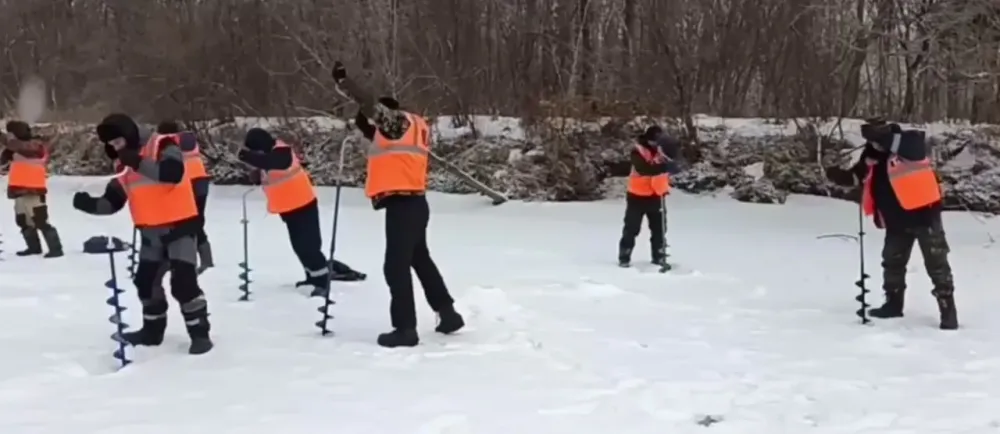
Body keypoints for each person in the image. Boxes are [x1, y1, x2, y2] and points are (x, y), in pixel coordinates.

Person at [332, 60, 464, 348]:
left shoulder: (396, 122)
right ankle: (448, 313)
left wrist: (345, 84)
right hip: (415, 203)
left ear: (385, 113)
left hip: (403, 206)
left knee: (395, 267)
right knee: (420, 260)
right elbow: (368, 128)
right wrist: (362, 120)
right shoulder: (410, 127)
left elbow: (368, 106)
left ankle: (405, 329)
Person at [73, 113, 214, 354]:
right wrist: (89, 205)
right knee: (145, 283)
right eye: (111, 146)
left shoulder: (163, 145)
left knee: (183, 284)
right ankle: (152, 331)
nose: (115, 149)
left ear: (128, 135)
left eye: (117, 142)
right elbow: (113, 201)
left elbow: (173, 173)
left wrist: (137, 161)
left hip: (180, 229)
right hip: (151, 235)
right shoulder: (124, 167)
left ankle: (200, 334)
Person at [824, 119, 957, 330]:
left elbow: (909, 148)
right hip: (896, 219)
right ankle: (893, 305)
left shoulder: (909, 143)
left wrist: (880, 136)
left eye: (875, 136)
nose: (874, 144)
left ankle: (948, 311)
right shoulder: (872, 155)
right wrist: (835, 174)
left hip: (925, 216)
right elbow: (856, 178)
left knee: (937, 265)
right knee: (892, 263)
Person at [237, 128, 332, 297]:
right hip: (289, 209)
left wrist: (246, 156)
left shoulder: (281, 152)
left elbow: (273, 162)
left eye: (255, 149)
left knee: (309, 246)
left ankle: (322, 282)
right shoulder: (268, 156)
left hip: (304, 204)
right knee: (299, 247)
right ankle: (311, 277)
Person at [155, 121, 214, 274]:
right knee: (197, 220)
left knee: (182, 221)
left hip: (185, 184)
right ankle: (206, 258)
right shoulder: (188, 139)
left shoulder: (166, 143)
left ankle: (183, 258)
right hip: (201, 181)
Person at [618, 126, 679, 268]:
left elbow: (675, 159)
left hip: (656, 195)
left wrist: (673, 162)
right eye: (654, 141)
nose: (656, 144)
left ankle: (659, 257)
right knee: (632, 228)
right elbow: (643, 169)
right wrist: (664, 168)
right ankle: (624, 257)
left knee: (660, 229)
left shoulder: (662, 149)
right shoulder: (638, 151)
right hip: (637, 196)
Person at [1, 121, 63, 257]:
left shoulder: (35, 146)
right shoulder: (14, 149)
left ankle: (56, 249)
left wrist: (5, 139)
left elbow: (17, 145)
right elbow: (4, 166)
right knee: (23, 221)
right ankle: (34, 247)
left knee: (40, 219)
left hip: (34, 190)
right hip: (18, 189)